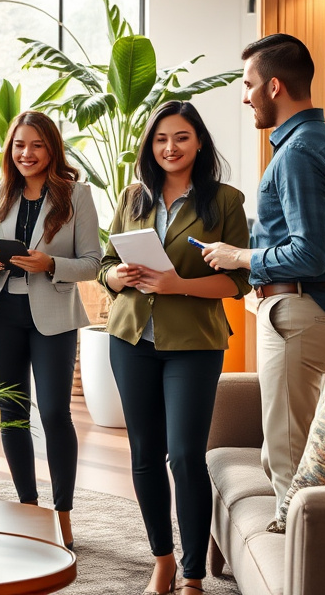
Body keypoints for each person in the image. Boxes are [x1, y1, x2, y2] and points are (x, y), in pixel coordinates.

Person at [201, 33, 325, 510]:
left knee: (287, 450)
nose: (245, 96)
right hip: (317, 309)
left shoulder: (297, 153)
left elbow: (308, 254)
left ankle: (293, 550)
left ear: (274, 86)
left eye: (248, 84)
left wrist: (240, 256)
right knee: (294, 442)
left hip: (299, 309)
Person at [98, 101, 251, 595]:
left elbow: (238, 283)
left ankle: (191, 573)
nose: (170, 147)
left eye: (181, 137)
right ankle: (161, 560)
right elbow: (105, 264)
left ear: (199, 142)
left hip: (194, 344)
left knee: (185, 454)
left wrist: (177, 284)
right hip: (130, 338)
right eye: (161, 139)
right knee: (144, 453)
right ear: (150, 145)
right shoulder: (132, 197)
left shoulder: (225, 201)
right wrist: (114, 276)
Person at [0, 110, 101, 550]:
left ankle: (62, 512)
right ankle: (28, 508)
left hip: (54, 316)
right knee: (13, 414)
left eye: (37, 145)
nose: (26, 154)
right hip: (2, 314)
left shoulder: (76, 194)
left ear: (52, 149)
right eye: (20, 145)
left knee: (54, 413)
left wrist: (51, 264)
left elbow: (93, 262)